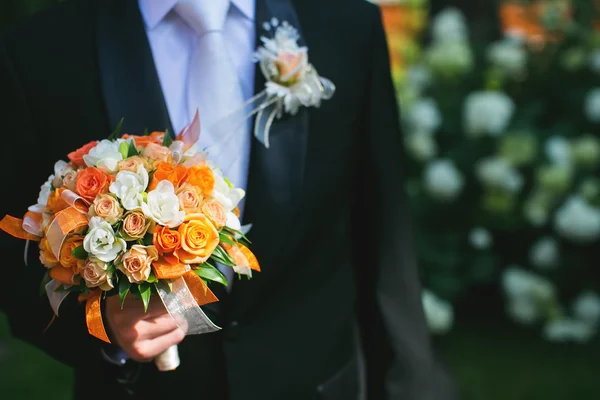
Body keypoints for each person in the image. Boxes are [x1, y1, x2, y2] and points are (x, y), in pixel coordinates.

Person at [0, 0, 439, 399]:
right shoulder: (41, 50)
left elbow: (383, 235)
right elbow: (14, 259)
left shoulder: (344, 25)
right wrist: (104, 330)